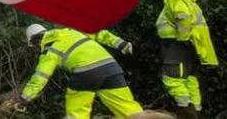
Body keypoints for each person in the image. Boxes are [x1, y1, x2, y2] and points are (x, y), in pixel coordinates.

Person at [12, 23, 142, 118]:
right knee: (128, 109)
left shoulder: (49, 49)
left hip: (86, 72)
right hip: (111, 68)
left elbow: (40, 77)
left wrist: (25, 99)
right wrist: (120, 44)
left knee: (77, 114)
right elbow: (98, 32)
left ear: (34, 41)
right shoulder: (70, 31)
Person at [156, 0, 218, 118]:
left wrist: (182, 39)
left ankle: (186, 113)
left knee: (172, 78)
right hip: (189, 46)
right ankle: (196, 111)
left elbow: (183, 18)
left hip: (178, 46)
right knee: (190, 79)